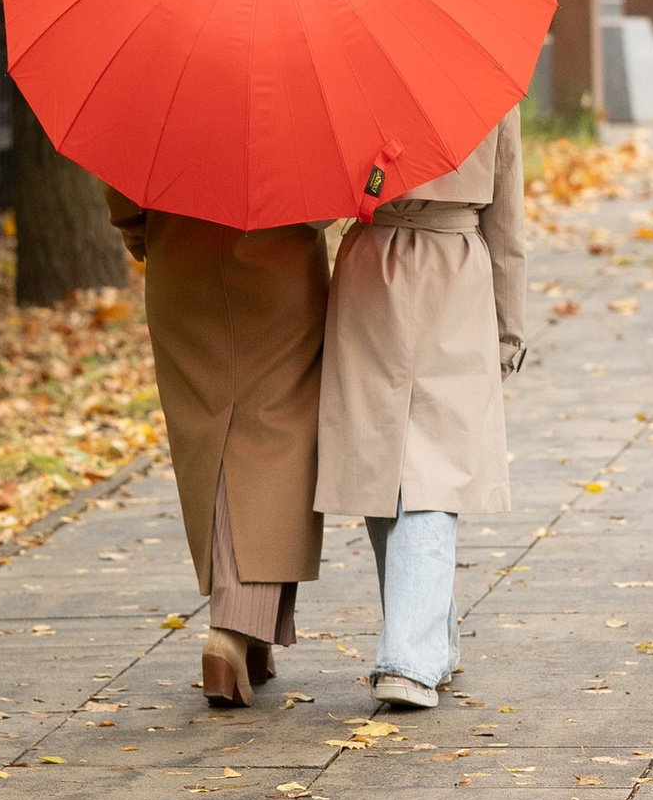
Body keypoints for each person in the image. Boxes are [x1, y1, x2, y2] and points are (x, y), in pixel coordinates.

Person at [315, 108, 526, 709]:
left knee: (393, 459)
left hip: (372, 267)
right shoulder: (488, 90)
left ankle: (413, 652)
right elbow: (507, 221)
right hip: (454, 271)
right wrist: (510, 328)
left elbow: (314, 208)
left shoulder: (348, 84)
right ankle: (421, 646)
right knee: (420, 464)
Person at [104, 195, 328, 709]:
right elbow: (322, 196)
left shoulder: (156, 109)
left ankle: (252, 629)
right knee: (278, 437)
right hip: (280, 263)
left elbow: (124, 185)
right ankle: (232, 627)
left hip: (182, 262)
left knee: (208, 436)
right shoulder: (290, 108)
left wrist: (144, 234)